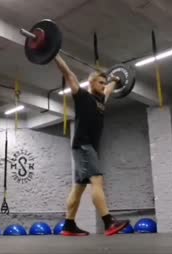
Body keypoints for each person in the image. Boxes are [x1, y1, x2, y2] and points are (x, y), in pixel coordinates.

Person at [54, 54, 129, 236]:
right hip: (83, 145)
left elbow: (113, 85)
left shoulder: (101, 99)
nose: (104, 86)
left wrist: (116, 79)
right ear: (91, 83)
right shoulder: (82, 96)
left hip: (87, 148)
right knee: (97, 180)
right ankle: (108, 222)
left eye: (104, 83)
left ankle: (69, 225)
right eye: (100, 83)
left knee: (79, 187)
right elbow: (68, 73)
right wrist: (54, 53)